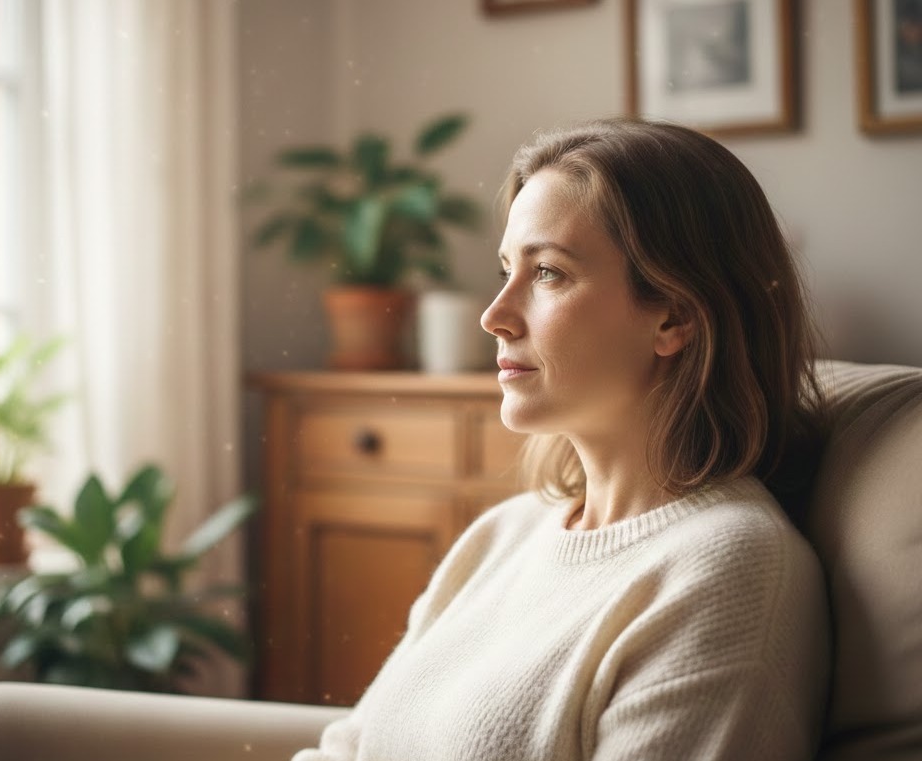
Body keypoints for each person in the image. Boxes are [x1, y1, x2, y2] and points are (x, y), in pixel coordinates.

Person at [292, 118, 831, 760]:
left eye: (547, 273)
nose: (494, 316)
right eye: (505, 270)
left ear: (676, 316)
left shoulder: (727, 570)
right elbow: (345, 749)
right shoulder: (504, 535)